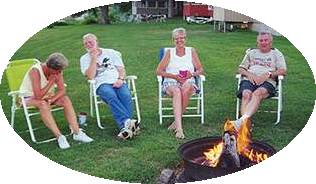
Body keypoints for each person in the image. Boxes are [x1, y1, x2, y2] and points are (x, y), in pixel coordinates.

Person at [19, 53, 94, 149]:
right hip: (27, 98)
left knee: (65, 99)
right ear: (50, 68)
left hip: (47, 97)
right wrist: (51, 81)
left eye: (61, 71)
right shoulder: (35, 71)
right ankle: (60, 137)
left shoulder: (57, 71)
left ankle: (77, 133)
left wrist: (52, 100)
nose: (60, 73)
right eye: (58, 71)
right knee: (43, 104)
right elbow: (38, 96)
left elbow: (62, 90)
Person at [80, 33, 139, 140]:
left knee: (126, 95)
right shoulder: (84, 59)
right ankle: (127, 123)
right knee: (110, 95)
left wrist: (121, 79)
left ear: (97, 42)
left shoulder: (111, 53)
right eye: (85, 44)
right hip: (101, 84)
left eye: (90, 42)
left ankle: (126, 128)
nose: (88, 45)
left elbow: (121, 69)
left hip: (117, 81)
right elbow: (90, 76)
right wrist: (93, 59)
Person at [156, 28, 204, 139]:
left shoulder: (191, 51)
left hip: (188, 80)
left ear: (185, 39)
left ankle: (176, 122)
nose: (179, 40)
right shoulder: (169, 53)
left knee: (186, 89)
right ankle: (179, 129)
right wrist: (174, 76)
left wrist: (191, 75)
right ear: (173, 40)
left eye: (181, 38)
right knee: (177, 91)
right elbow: (158, 71)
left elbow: (201, 69)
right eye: (176, 39)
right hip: (171, 81)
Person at [234, 32, 287, 129]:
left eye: (266, 40)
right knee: (246, 94)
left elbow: (283, 70)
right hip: (250, 79)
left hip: (268, 81)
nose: (263, 42)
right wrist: (249, 74)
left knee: (257, 94)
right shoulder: (251, 53)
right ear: (257, 42)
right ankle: (245, 123)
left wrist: (269, 74)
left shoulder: (276, 54)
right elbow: (240, 69)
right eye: (261, 40)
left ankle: (242, 122)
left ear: (271, 42)